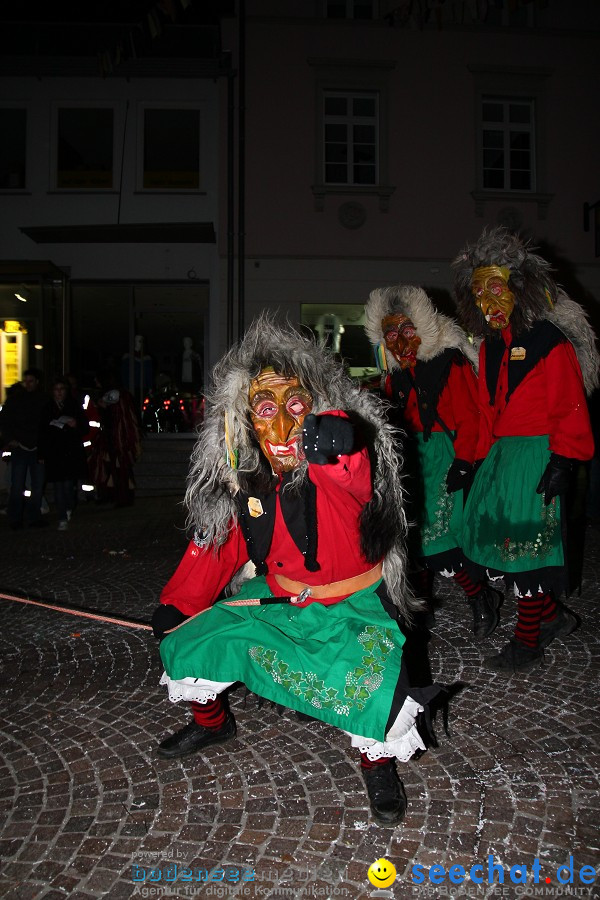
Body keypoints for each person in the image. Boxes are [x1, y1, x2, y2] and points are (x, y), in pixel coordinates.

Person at [152, 316, 440, 827]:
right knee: (193, 640)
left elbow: (353, 480)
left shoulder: (335, 465)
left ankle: (376, 766)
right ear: (245, 420)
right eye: (266, 411)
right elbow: (217, 546)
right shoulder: (247, 482)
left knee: (370, 688)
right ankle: (212, 722)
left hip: (352, 606)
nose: (282, 430)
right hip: (280, 598)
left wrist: (337, 443)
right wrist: (179, 604)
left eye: (295, 408)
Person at [452, 227, 598, 672]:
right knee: (485, 545)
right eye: (478, 292)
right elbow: (481, 410)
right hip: (500, 459)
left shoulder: (549, 342)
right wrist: (470, 460)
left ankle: (528, 639)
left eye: (495, 287)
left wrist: (563, 459)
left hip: (536, 456)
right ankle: (552, 617)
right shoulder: (488, 349)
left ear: (518, 289)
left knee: (525, 554)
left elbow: (570, 404)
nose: (486, 301)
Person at [364, 285, 502, 639]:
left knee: (442, 541)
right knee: (412, 540)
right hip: (410, 462)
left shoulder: (448, 363)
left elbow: (471, 417)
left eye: (407, 330)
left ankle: (479, 595)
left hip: (444, 458)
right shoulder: (393, 376)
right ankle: (419, 607)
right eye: (391, 332)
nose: (399, 340)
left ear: (422, 330)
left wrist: (464, 462)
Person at [0, 368, 48, 529]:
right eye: (25, 381)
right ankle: (15, 518)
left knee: (36, 485)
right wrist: (10, 439)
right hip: (20, 447)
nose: (27, 384)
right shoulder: (16, 400)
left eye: (31, 381)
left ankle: (33, 516)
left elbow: (47, 424)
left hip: (37, 448)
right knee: (17, 484)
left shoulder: (43, 400)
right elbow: (5, 421)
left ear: (37, 382)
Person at [39, 377, 87, 530]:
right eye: (56, 390)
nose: (59, 393)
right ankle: (61, 517)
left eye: (62, 389)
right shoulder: (47, 408)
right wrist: (41, 454)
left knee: (68, 485)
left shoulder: (74, 407)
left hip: (70, 451)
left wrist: (75, 425)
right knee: (58, 486)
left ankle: (68, 507)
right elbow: (42, 432)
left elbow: (84, 428)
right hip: (54, 452)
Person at [88, 371, 142, 507]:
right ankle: (111, 495)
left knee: (119, 468)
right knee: (108, 467)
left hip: (117, 439)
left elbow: (119, 418)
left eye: (97, 380)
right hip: (110, 438)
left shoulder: (116, 394)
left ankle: (122, 497)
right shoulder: (116, 394)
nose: (96, 382)